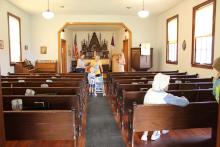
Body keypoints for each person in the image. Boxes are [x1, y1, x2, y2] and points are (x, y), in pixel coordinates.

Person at [141, 73, 189, 141]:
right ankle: (157, 131)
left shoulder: (149, 90)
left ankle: (145, 134)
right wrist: (184, 98)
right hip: (159, 120)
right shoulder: (166, 96)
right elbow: (184, 103)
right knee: (170, 110)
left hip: (145, 118)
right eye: (167, 83)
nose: (168, 84)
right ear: (162, 84)